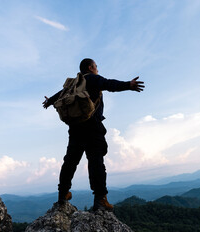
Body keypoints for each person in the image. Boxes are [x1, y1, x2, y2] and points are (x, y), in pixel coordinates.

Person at [43, 58, 144, 211]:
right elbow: (109, 84)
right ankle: (100, 199)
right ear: (90, 67)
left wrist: (49, 101)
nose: (97, 69)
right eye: (96, 66)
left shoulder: (73, 83)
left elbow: (60, 95)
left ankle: (63, 194)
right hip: (92, 127)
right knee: (96, 162)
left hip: (75, 128)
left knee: (70, 161)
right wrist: (128, 85)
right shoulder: (93, 79)